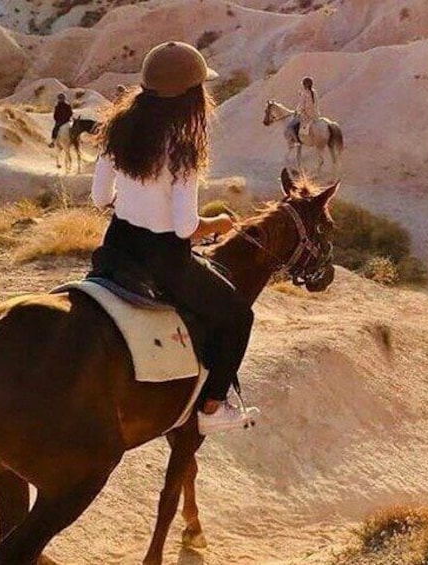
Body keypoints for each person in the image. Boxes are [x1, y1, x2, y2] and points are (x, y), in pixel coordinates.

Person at [91, 41, 259, 435]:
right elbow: (185, 228)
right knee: (238, 316)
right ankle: (213, 408)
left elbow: (100, 197)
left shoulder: (116, 129)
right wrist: (217, 223)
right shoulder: (182, 149)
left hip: (116, 249)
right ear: (190, 97)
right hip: (164, 261)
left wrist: (132, 204)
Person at [295, 76, 319, 140]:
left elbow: (301, 105)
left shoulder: (304, 93)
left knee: (295, 126)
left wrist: (297, 111)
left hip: (307, 115)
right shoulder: (314, 92)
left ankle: (299, 141)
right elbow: (315, 103)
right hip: (316, 114)